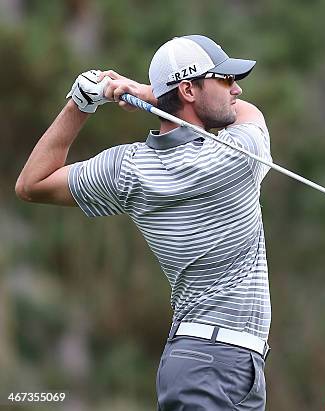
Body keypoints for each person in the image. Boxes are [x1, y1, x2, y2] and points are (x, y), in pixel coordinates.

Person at [16, 35, 271, 410]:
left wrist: (81, 104)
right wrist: (149, 93)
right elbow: (250, 114)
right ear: (188, 89)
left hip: (213, 362)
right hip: (213, 363)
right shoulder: (235, 156)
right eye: (224, 80)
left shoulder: (128, 168)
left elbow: (31, 183)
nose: (237, 89)